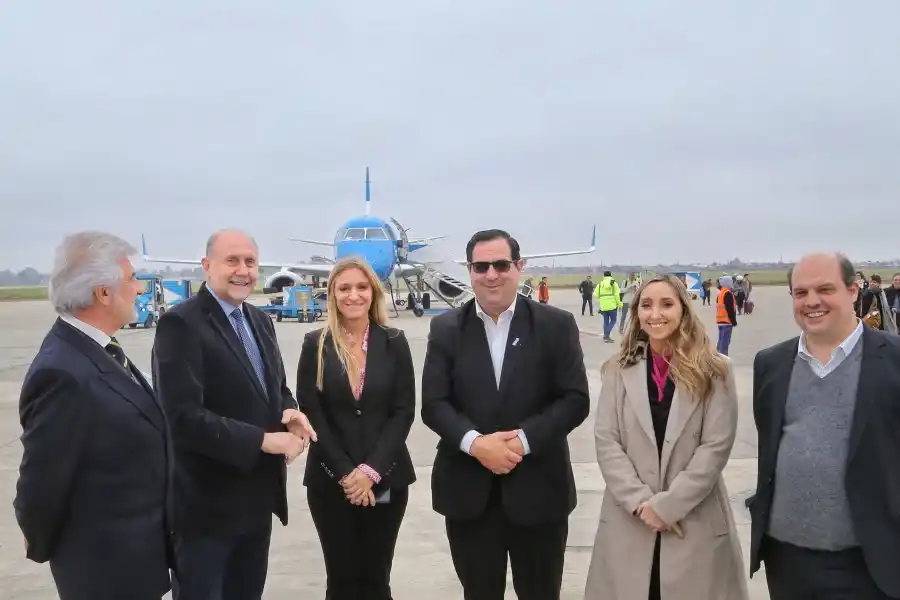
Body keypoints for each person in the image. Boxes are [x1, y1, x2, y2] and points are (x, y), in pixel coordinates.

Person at [421, 229, 590, 600]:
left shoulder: (555, 325)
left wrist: (521, 442)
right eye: (481, 266)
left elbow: (575, 399)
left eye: (501, 264)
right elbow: (434, 404)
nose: (491, 274)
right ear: (469, 270)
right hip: (469, 494)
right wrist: (477, 444)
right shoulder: (446, 328)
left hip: (539, 490)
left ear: (519, 266)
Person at [152, 228, 317, 600]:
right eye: (232, 261)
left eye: (250, 262)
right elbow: (181, 417)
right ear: (207, 266)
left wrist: (289, 412)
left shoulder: (260, 321)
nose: (243, 270)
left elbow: (275, 388)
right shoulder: (181, 324)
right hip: (206, 511)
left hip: (256, 503)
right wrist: (262, 439)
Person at [14, 231, 173, 600]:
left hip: (133, 561)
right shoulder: (63, 372)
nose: (139, 290)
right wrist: (44, 545)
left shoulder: (98, 349)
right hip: (103, 570)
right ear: (103, 292)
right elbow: (41, 481)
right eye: (132, 280)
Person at [585, 274, 747, 600]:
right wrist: (640, 504)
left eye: (666, 304)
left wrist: (668, 506)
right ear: (636, 313)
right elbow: (607, 441)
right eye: (646, 305)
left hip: (693, 520)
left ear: (683, 310)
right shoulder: (618, 369)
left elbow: (715, 448)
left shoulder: (715, 371)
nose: (655, 313)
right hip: (631, 519)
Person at [747, 252, 900, 599]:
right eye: (800, 293)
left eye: (824, 289)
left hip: (875, 562)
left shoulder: (893, 359)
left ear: (853, 291)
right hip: (788, 560)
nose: (811, 301)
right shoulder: (770, 364)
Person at [297, 257, 416, 600]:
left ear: (373, 292)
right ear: (332, 294)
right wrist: (349, 474)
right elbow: (313, 413)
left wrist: (371, 471)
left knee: (377, 580)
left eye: (361, 287)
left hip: (386, 478)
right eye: (344, 288)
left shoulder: (394, 341)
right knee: (342, 582)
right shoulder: (315, 343)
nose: (353, 295)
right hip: (331, 480)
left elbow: (403, 411)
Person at [594, 270, 623, 342]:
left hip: (603, 306)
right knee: (613, 320)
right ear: (610, 276)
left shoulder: (600, 284)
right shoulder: (614, 283)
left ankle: (606, 337)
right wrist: (619, 304)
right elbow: (617, 295)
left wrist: (603, 298)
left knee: (605, 321)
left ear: (604, 276)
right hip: (612, 305)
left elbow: (595, 295)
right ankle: (606, 335)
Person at [715, 276, 738, 355]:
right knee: (725, 343)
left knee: (721, 342)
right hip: (727, 322)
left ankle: (718, 356)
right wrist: (734, 321)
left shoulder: (720, 293)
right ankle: (723, 360)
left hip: (720, 321)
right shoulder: (727, 293)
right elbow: (730, 309)